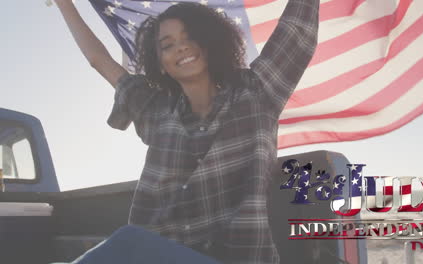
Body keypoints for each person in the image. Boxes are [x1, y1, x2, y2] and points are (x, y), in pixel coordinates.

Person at [54, 0, 319, 263]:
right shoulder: (153, 110)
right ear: (159, 63)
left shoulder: (256, 91)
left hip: (237, 257)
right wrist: (63, 4)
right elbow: (98, 59)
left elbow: (297, 28)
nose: (181, 46)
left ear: (210, 41)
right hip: (157, 254)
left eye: (191, 36)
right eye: (167, 45)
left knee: (126, 241)